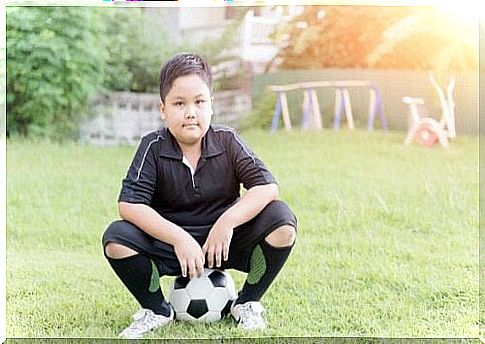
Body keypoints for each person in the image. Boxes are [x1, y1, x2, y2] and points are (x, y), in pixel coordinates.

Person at [102, 52, 297, 339]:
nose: (190, 111)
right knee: (116, 238)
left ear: (211, 106)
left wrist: (226, 223)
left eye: (199, 102)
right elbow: (129, 205)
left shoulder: (227, 140)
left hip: (224, 243)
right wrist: (179, 238)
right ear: (163, 109)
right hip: (171, 246)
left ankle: (246, 303)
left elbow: (266, 187)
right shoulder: (152, 147)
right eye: (179, 103)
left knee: (282, 219)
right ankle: (156, 309)